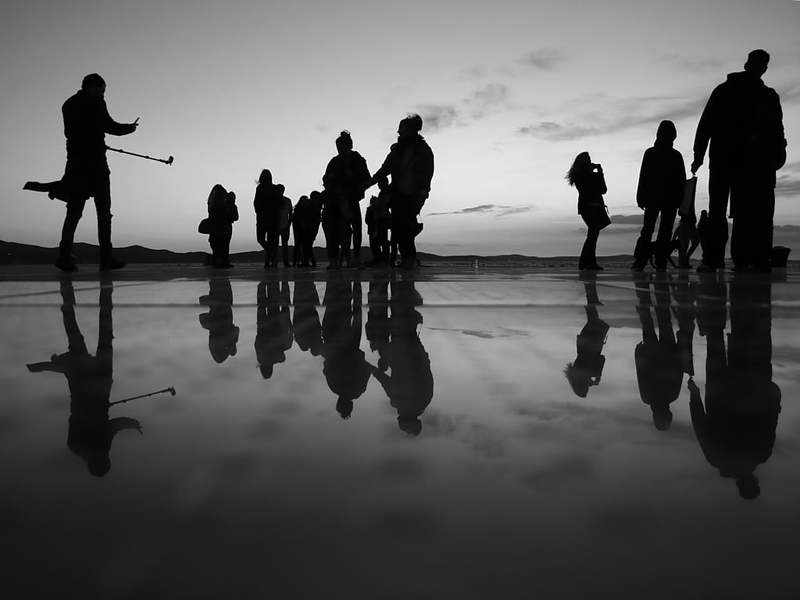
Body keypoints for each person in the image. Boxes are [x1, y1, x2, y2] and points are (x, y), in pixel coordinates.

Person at [26, 279, 142, 477]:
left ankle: (93, 291)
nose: (105, 456)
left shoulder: (78, 445)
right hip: (93, 381)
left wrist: (129, 423)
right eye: (106, 459)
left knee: (96, 333)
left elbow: (109, 427)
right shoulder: (84, 447)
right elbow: (112, 428)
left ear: (95, 463)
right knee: (86, 333)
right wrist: (130, 424)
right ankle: (80, 293)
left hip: (89, 381)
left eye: (103, 460)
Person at [23, 74, 138, 272]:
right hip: (95, 164)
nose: (103, 94)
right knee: (103, 212)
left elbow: (71, 133)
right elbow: (108, 125)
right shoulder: (96, 102)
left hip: (76, 163)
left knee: (74, 212)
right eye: (102, 90)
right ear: (92, 87)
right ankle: (105, 258)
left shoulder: (68, 104)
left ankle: (64, 256)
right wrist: (129, 128)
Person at [692, 49, 787, 272]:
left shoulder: (764, 96)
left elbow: (777, 131)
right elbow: (706, 124)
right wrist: (698, 155)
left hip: (742, 162)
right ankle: (725, 259)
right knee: (728, 211)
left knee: (733, 211)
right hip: (732, 161)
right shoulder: (731, 91)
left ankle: (728, 259)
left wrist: (699, 155)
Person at [364, 115, 433, 270]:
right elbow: (384, 169)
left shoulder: (423, 151)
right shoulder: (397, 151)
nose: (398, 132)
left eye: (401, 129)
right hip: (398, 195)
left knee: (406, 229)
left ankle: (409, 260)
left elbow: (428, 174)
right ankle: (407, 261)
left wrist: (423, 194)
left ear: (411, 130)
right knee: (399, 229)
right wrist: (369, 183)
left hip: (413, 196)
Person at [631, 120, 687, 271]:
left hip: (656, 198)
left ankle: (641, 261)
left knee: (649, 230)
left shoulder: (652, 153)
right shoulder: (674, 155)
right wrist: (681, 201)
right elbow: (682, 181)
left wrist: (640, 196)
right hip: (666, 199)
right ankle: (659, 262)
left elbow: (643, 176)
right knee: (663, 231)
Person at [322, 131, 371, 268]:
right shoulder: (334, 161)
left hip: (351, 198)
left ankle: (356, 257)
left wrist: (353, 181)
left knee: (356, 229)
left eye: (342, 146)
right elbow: (325, 179)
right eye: (338, 147)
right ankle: (335, 259)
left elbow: (366, 178)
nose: (340, 149)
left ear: (348, 145)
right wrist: (331, 182)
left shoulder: (357, 159)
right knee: (334, 230)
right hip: (336, 200)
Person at [565, 274, 609, 398]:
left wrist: (597, 376)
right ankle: (590, 290)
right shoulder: (576, 373)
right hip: (586, 342)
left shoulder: (583, 372)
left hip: (591, 343)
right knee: (593, 318)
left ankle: (589, 288)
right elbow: (600, 359)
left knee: (593, 318)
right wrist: (595, 377)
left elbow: (600, 359)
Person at [566, 152, 608, 270]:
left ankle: (588, 262)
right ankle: (586, 262)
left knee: (593, 234)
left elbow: (603, 190)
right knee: (593, 234)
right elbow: (588, 188)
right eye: (588, 159)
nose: (590, 162)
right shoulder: (580, 176)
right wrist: (595, 173)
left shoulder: (591, 175)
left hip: (596, 206)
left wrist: (600, 173)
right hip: (588, 207)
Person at [253, 169, 283, 269]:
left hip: (271, 218)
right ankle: (271, 255)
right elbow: (256, 202)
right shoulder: (260, 188)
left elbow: (279, 203)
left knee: (268, 240)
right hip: (264, 218)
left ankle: (270, 259)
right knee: (262, 239)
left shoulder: (273, 188)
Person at [202, 185, 238, 268]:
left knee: (218, 245)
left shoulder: (213, 203)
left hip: (219, 227)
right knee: (221, 245)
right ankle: (219, 261)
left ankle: (219, 261)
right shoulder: (220, 204)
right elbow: (229, 215)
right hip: (222, 227)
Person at [365, 178, 392, 266]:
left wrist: (376, 205)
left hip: (382, 220)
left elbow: (383, 204)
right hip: (382, 219)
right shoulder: (384, 193)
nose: (378, 185)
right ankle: (382, 259)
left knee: (379, 241)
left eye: (379, 183)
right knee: (380, 240)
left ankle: (382, 260)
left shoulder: (386, 193)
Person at [292, 192, 323, 267]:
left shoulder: (314, 205)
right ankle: (307, 261)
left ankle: (306, 261)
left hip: (309, 228)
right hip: (306, 228)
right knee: (306, 245)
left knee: (306, 245)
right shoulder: (311, 205)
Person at [276, 185, 293, 267]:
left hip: (285, 226)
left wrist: (289, 224)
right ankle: (274, 261)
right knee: (275, 245)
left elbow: (290, 213)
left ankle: (286, 262)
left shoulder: (287, 200)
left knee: (284, 245)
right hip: (276, 226)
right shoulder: (273, 200)